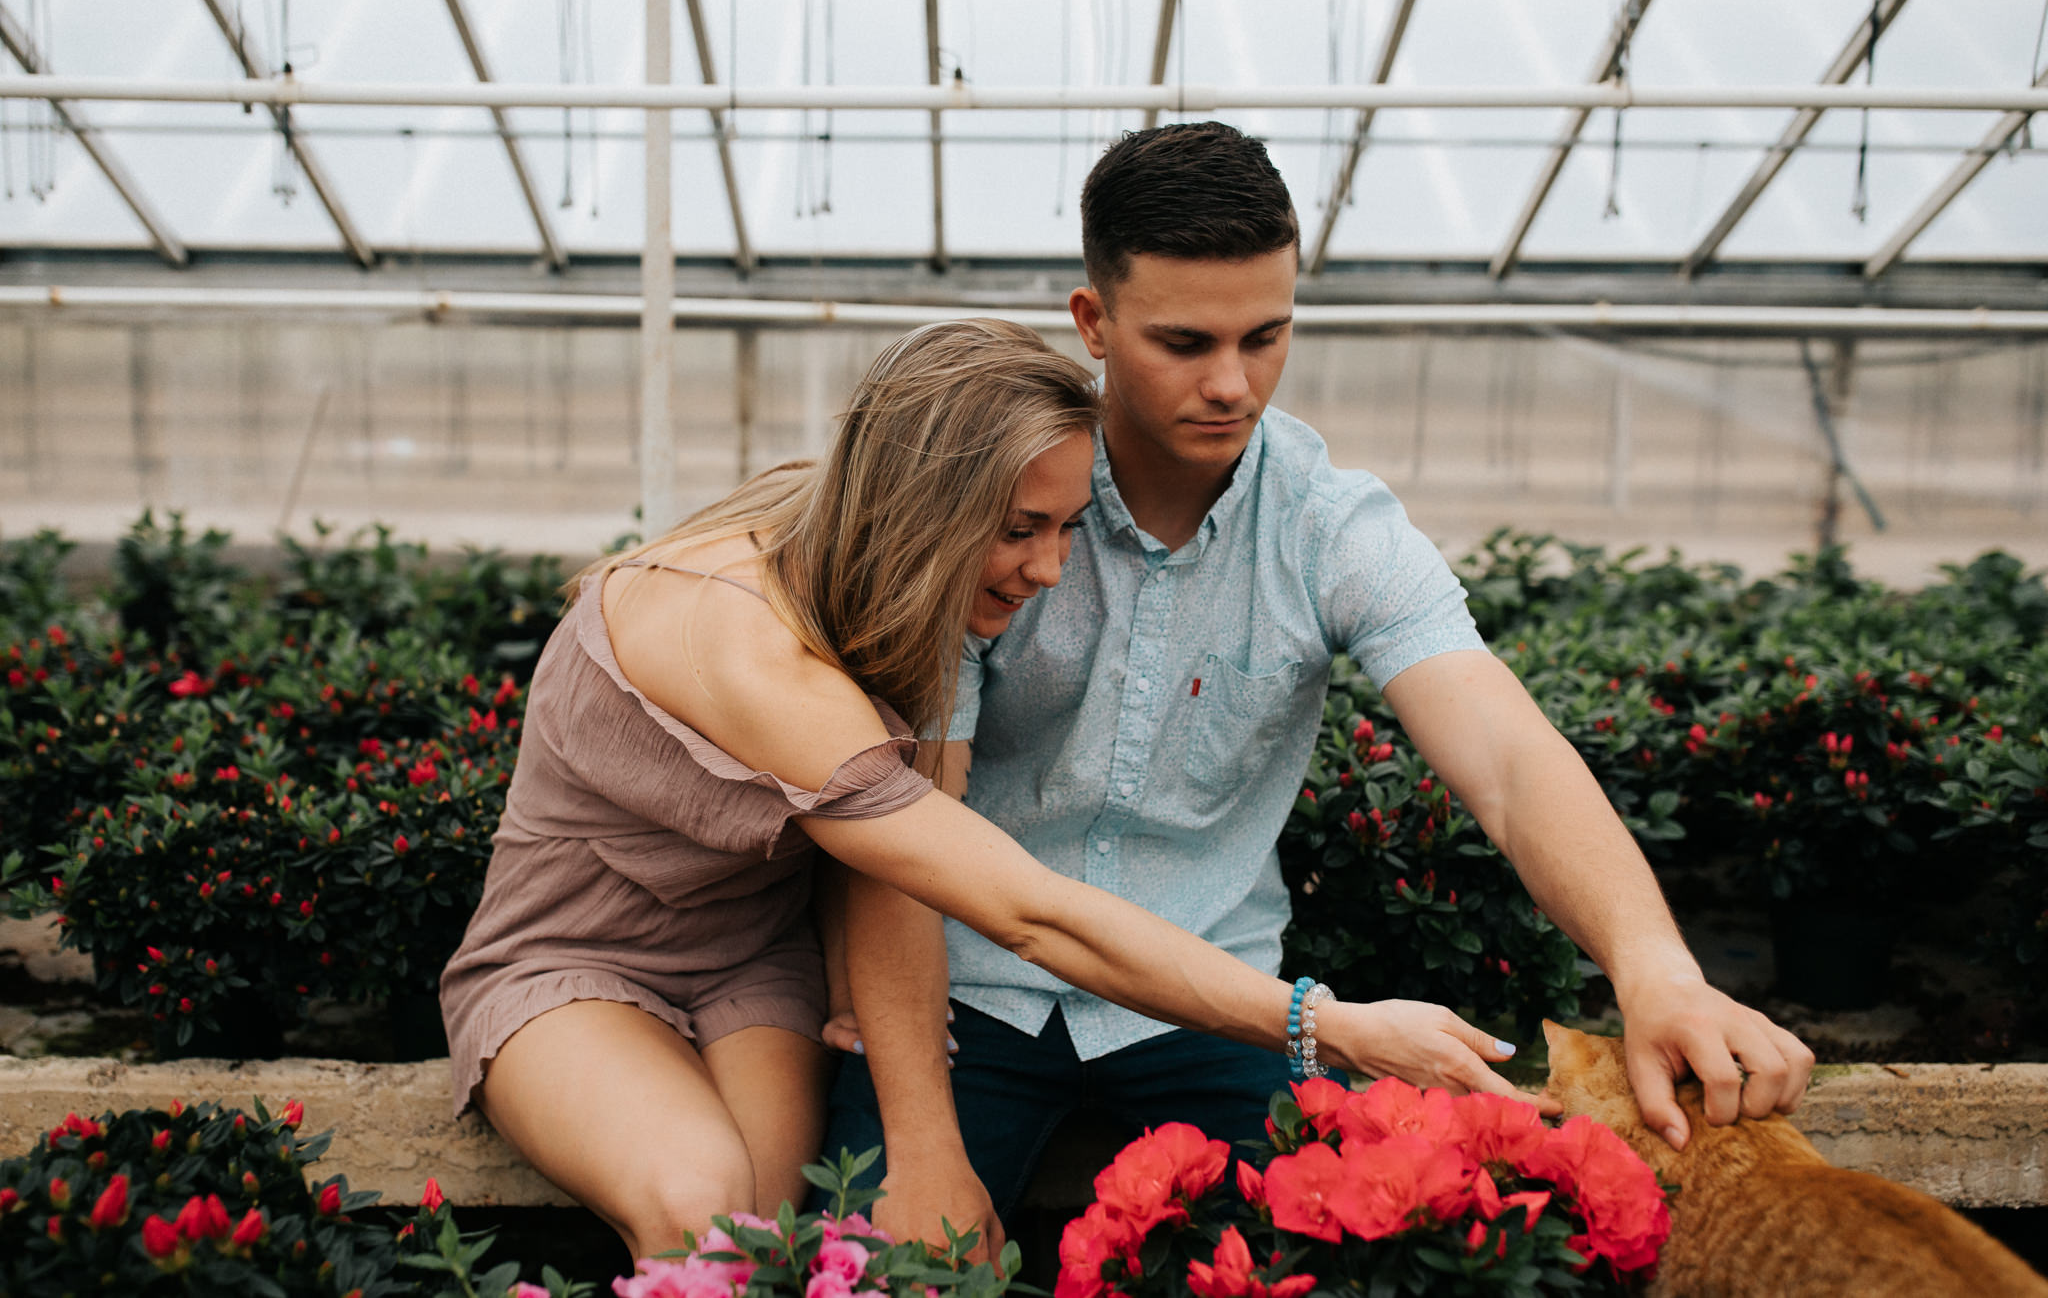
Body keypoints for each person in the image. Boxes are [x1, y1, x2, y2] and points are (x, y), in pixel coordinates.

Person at [820, 124, 1818, 1259]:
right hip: (960, 996)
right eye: (1183, 342)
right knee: (879, 1266)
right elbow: (905, 829)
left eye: (1266, 335)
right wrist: (920, 1144)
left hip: (1207, 1004)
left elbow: (1503, 758)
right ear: (1091, 322)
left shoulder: (1327, 524)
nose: (1230, 382)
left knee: (1316, 1267)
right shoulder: (995, 504)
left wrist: (1656, 974)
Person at [439, 317, 1538, 1261]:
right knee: (699, 1209)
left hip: (753, 962)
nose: (1053, 568)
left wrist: (840, 976)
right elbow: (1025, 908)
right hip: (579, 958)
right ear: (920, 507)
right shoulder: (747, 646)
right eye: (1020, 529)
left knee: (777, 1242)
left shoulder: (855, 552)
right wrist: (1321, 1023)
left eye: (1066, 525)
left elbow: (893, 853)